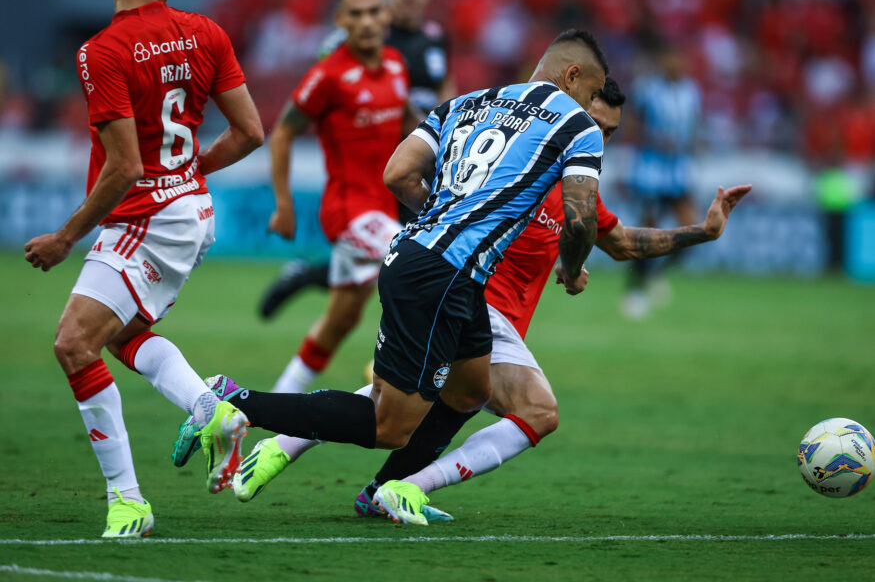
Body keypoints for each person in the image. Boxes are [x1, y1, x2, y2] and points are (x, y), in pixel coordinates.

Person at [212, 79, 751, 524]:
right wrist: (569, 259)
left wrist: (703, 233)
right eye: (598, 127)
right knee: (534, 412)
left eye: (609, 133)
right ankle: (399, 484)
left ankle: (315, 460)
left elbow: (623, 241)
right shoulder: (518, 171)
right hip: (467, 296)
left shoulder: (576, 187)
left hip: (471, 307)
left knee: (442, 396)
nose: (600, 141)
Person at [174, 29, 610, 521]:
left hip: (429, 263)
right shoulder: (578, 125)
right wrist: (572, 271)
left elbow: (397, 173)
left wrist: (444, 218)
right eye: (592, 91)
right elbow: (579, 218)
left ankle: (389, 491)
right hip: (443, 275)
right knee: (389, 424)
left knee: (471, 390)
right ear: (572, 75)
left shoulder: (466, 103)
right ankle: (234, 400)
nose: (591, 103)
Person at [23, 0, 262, 538]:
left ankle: (127, 502)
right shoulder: (206, 32)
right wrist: (189, 170)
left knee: (73, 344)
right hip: (189, 211)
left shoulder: (99, 52)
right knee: (125, 335)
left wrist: (66, 236)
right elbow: (250, 134)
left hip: (146, 218)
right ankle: (211, 410)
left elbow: (126, 167)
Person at [259, 0, 455, 318]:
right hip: (377, 169)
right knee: (413, 264)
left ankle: (310, 274)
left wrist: (449, 141)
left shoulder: (435, 38)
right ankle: (402, 358)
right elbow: (327, 94)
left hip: (422, 162)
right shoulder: (356, 41)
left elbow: (445, 90)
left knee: (377, 278)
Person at [262, 0, 421, 396]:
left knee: (340, 321)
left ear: (387, 15)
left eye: (374, 11)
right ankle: (397, 371)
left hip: (383, 210)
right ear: (340, 19)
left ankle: (270, 406)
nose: (367, 21)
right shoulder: (327, 76)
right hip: (348, 212)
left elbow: (410, 122)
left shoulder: (395, 66)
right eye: (357, 13)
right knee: (423, 265)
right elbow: (282, 132)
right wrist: (283, 203)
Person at [623, 41, 704, 318]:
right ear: (661, 60)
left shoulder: (691, 91)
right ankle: (633, 291)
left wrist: (693, 144)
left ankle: (654, 275)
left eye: (679, 58)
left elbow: (694, 126)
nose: (676, 64)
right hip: (650, 171)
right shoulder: (648, 90)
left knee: (693, 229)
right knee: (647, 232)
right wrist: (658, 141)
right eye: (670, 58)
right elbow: (632, 127)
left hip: (679, 171)